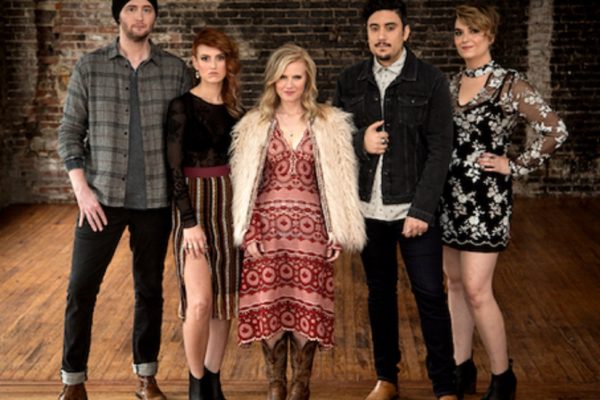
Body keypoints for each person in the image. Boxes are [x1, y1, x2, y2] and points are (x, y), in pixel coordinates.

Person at [56, 0, 192, 399]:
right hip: (100, 199)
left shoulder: (175, 70)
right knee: (81, 288)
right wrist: (82, 191)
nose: (139, 16)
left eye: (147, 9)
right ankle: (73, 381)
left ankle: (146, 378)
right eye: (131, 8)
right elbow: (69, 132)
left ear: (155, 16)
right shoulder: (90, 67)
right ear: (118, 14)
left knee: (149, 289)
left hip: (155, 200)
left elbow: (189, 135)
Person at [439, 3, 568, 400]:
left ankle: (503, 376)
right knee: (454, 284)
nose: (465, 39)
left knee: (477, 289)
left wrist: (514, 164)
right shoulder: (451, 83)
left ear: (490, 36)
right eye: (459, 32)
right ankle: (461, 369)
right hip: (450, 196)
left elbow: (555, 129)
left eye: (474, 31)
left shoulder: (509, 83)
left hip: (486, 201)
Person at [333, 0, 458, 399]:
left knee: (430, 295)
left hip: (413, 211)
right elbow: (333, 140)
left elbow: (441, 150)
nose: (381, 35)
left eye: (390, 27)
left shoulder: (430, 80)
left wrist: (422, 210)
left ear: (406, 32)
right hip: (369, 212)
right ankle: (387, 379)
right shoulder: (350, 80)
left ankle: (445, 386)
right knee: (380, 295)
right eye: (374, 28)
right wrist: (361, 142)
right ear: (367, 34)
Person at [229, 43, 365, 400]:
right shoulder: (254, 125)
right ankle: (275, 384)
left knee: (307, 304)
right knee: (271, 304)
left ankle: (301, 385)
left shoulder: (329, 123)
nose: (289, 84)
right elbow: (244, 184)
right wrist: (249, 230)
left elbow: (341, 181)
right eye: (283, 77)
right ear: (272, 80)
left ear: (308, 80)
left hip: (312, 232)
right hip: (267, 231)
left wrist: (337, 230)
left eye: (297, 77)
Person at [166, 27, 243, 400]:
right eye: (205, 58)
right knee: (198, 302)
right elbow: (173, 169)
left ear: (229, 63)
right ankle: (196, 383)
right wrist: (188, 222)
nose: (213, 65)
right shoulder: (181, 106)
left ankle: (213, 380)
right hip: (193, 205)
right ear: (194, 63)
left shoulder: (236, 111)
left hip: (228, 205)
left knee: (223, 301)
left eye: (219, 58)